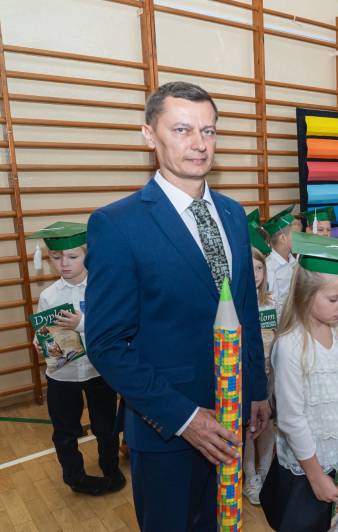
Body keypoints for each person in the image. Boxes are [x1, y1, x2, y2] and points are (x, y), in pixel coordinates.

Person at [85, 82, 269, 531]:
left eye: (209, 131)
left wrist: (257, 389)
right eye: (183, 129)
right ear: (150, 135)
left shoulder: (232, 213)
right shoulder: (117, 224)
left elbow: (244, 308)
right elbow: (107, 344)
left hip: (233, 415)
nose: (199, 144)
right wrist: (185, 419)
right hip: (167, 430)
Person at [261, 233, 338, 532]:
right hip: (309, 469)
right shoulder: (291, 346)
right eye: (334, 299)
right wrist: (315, 476)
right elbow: (292, 420)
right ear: (305, 294)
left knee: (334, 523)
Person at [27, 222, 124, 496]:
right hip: (62, 374)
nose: (64, 264)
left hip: (97, 369)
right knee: (65, 430)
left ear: (87, 255)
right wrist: (39, 341)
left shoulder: (101, 289)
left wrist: (81, 323)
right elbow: (45, 332)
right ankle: (75, 477)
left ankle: (110, 466)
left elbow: (114, 327)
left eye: (72, 256)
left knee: (106, 425)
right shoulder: (49, 296)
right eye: (56, 257)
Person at [243, 245, 278, 505]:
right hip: (247, 374)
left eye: (260, 268)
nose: (256, 273)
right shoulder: (238, 304)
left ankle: (266, 475)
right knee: (249, 428)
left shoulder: (273, 302)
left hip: (270, 372)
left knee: (268, 425)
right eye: (251, 268)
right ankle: (250, 477)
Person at [264, 205, 298, 314]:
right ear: (283, 238)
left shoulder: (294, 261)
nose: (300, 239)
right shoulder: (269, 267)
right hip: (282, 318)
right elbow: (271, 304)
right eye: (296, 235)